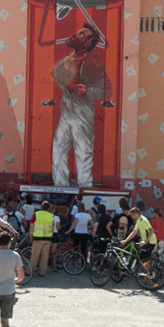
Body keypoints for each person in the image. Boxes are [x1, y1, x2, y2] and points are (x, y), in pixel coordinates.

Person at [49, 24, 112, 187]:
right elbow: (68, 83)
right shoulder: (66, 58)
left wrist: (87, 91)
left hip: (82, 114)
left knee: (83, 151)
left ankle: (85, 188)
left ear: (89, 42)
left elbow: (106, 91)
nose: (76, 35)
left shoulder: (93, 64)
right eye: (77, 32)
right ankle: (60, 186)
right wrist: (57, 76)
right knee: (59, 148)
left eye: (82, 34)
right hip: (66, 112)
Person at [29, 201, 55, 277]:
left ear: (41, 206)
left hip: (37, 238)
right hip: (48, 238)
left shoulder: (36, 214)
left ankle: (30, 271)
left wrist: (31, 236)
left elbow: (31, 226)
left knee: (35, 255)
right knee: (45, 256)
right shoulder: (51, 216)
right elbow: (52, 228)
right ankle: (42, 273)